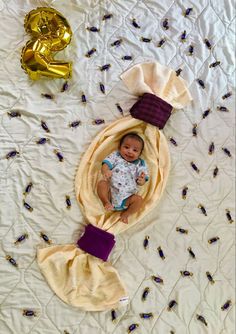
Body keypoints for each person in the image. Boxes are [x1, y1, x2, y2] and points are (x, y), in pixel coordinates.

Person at [97, 132, 149, 224]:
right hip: (110, 192)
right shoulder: (116, 156)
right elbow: (106, 164)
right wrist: (105, 171)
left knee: (138, 200)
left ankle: (126, 214)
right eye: (126, 147)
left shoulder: (140, 164)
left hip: (127, 197)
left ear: (140, 153)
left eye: (135, 150)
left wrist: (142, 181)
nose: (130, 151)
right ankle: (105, 202)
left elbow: (143, 178)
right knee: (102, 184)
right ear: (120, 147)